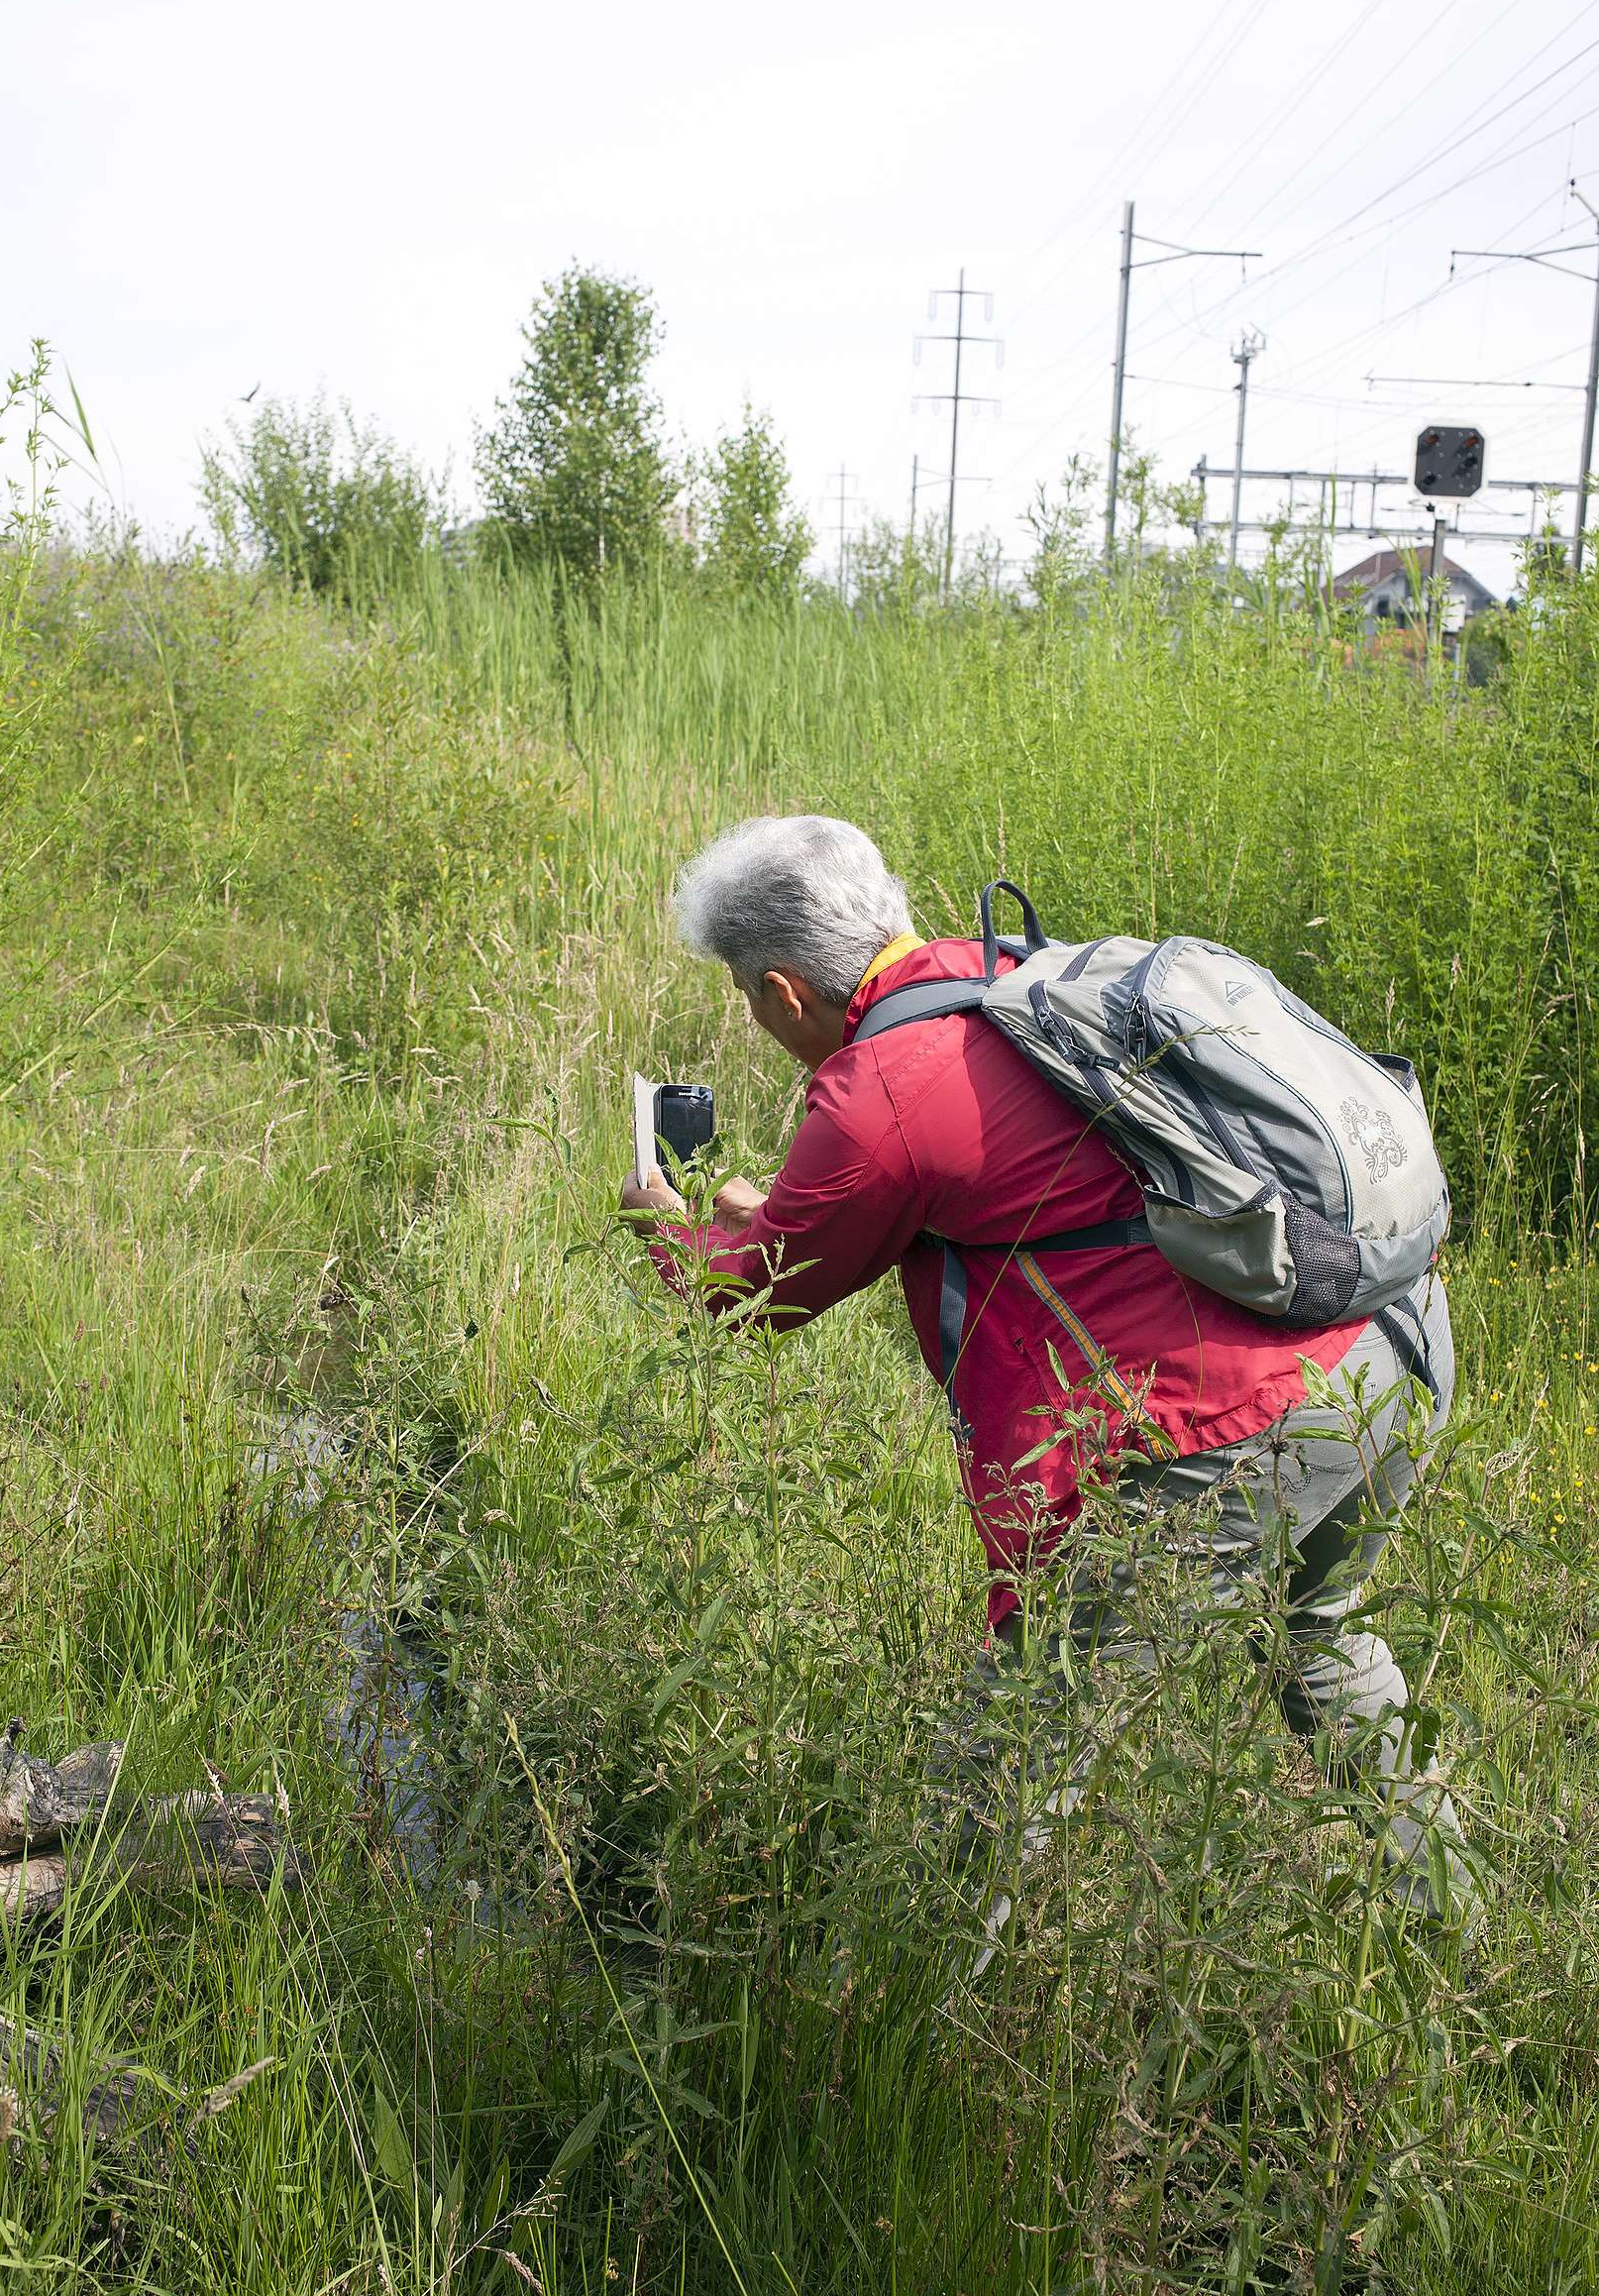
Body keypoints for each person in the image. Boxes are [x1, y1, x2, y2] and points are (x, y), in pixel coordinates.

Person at [620, 813, 1471, 1932]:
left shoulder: (876, 1091)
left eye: (745, 993)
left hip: (1241, 1422)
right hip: (1380, 1341)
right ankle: (1452, 1924)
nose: (753, 1014)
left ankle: (915, 2007)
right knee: (1316, 1631)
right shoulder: (1008, 974)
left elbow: (752, 1295)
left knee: (1013, 1743)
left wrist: (661, 1220)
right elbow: (992, 1185)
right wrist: (770, 1209)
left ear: (782, 990)